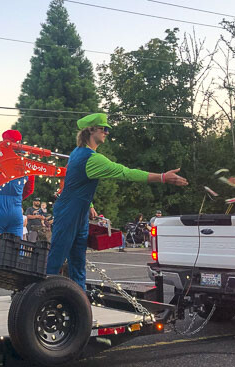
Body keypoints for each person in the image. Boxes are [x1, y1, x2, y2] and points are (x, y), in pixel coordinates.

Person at [46, 113, 188, 290]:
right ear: (91, 130)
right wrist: (162, 177)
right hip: (69, 212)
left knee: (77, 262)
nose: (107, 132)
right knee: (57, 260)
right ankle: (39, 297)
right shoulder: (92, 158)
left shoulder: (77, 153)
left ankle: (78, 302)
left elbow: (69, 180)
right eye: (104, 129)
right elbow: (125, 173)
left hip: (76, 211)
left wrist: (89, 205)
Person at [0, 129, 35, 304]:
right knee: (16, 249)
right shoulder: (26, 163)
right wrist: (16, 200)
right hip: (16, 210)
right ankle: (16, 291)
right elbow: (30, 189)